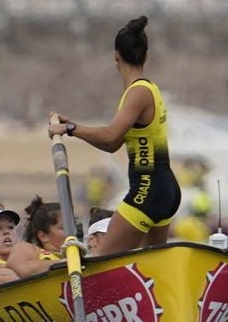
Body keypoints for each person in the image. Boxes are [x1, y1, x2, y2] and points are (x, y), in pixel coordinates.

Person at [47, 15, 180, 255]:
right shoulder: (151, 89)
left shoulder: (137, 93)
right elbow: (113, 141)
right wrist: (75, 127)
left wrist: (70, 129)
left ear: (116, 57)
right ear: (146, 56)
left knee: (105, 263)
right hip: (165, 188)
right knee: (153, 267)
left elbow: (110, 138)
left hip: (147, 190)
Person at [4, 197, 66, 278]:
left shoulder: (79, 253)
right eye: (63, 227)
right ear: (43, 236)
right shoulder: (27, 247)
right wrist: (67, 263)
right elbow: (22, 268)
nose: (73, 230)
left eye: (74, 224)